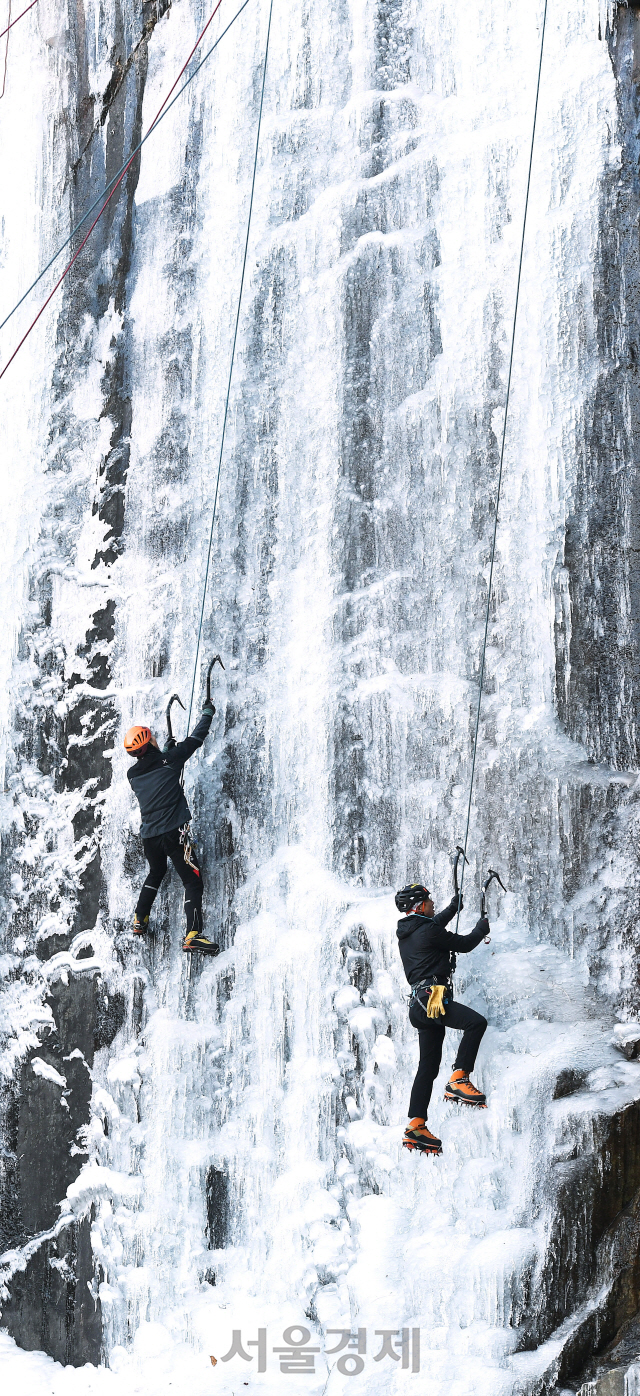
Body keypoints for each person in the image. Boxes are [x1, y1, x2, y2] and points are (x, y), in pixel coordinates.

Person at [395, 882, 489, 1155]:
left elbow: (432, 925)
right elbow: (464, 944)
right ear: (419, 905)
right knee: (476, 1023)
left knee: (427, 1067)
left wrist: (452, 909)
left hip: (419, 1005)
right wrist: (481, 930)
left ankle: (416, 1124)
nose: (431, 903)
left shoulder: (409, 932)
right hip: (434, 997)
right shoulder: (427, 930)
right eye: (428, 900)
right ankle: (459, 1079)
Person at [124, 697, 219, 955]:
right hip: (174, 834)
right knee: (192, 880)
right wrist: (207, 713)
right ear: (149, 743)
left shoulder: (133, 775)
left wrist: (165, 753)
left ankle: (139, 920)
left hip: (150, 838)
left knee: (156, 872)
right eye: (151, 737)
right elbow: (196, 739)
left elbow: (156, 767)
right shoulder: (171, 760)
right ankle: (193, 935)